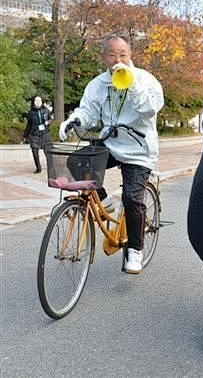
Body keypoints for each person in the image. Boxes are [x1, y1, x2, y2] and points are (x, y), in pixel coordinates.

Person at [59, 35, 164, 274]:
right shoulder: (98, 84)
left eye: (123, 54)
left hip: (139, 149)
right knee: (76, 161)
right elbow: (88, 111)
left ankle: (135, 251)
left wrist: (132, 83)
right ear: (104, 57)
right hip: (111, 142)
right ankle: (104, 200)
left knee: (131, 198)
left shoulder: (146, 80)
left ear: (130, 54)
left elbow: (149, 110)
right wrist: (73, 121)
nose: (117, 59)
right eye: (112, 54)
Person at [24, 95, 53, 173]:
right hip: (34, 134)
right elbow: (29, 125)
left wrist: (48, 122)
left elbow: (50, 119)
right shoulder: (30, 113)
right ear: (33, 102)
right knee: (34, 152)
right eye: (36, 100)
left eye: (39, 100)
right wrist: (25, 136)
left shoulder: (46, 110)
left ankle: (51, 166)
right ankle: (38, 168)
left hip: (45, 134)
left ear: (42, 102)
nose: (38, 102)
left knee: (48, 152)